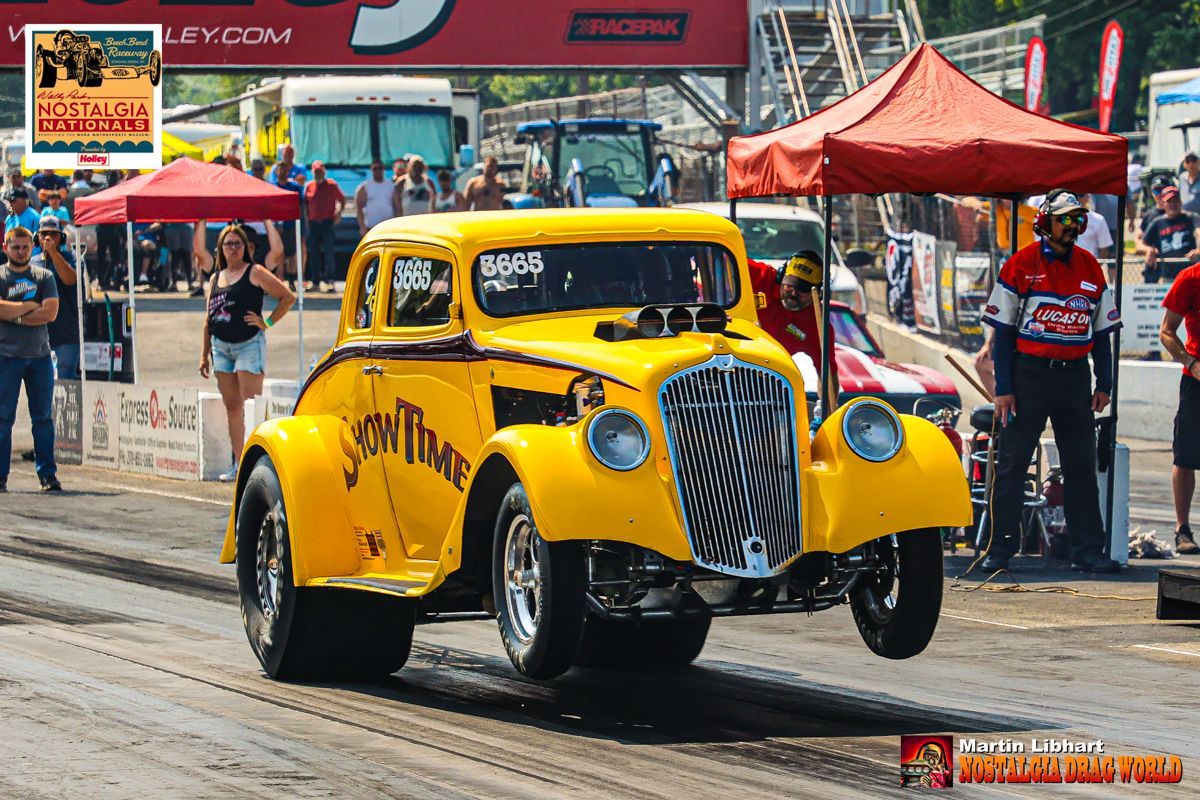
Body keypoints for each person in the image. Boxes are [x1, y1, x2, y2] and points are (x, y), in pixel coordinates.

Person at [981, 190, 1121, 574]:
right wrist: (1004, 388)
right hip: (1028, 378)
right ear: (1046, 222)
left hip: (1075, 378)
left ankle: (1088, 550)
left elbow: (1103, 332)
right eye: (1066, 219)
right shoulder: (1020, 264)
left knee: (1080, 464)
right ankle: (1000, 550)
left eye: (1078, 219)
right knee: (1011, 466)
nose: (1074, 226)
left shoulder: (1091, 266)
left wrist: (1104, 382)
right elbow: (1004, 334)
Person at [196, 221, 295, 481]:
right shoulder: (216, 277)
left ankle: (259, 463)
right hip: (220, 346)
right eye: (228, 244)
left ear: (245, 247)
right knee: (232, 405)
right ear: (221, 248)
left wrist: (268, 322)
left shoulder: (255, 271)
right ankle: (239, 462)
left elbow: (287, 297)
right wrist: (203, 353)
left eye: (238, 244)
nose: (233, 249)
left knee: (251, 403)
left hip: (248, 343)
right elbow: (209, 318)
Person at [0, 227, 61, 492]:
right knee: (3, 419)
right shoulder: (1, 276)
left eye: (25, 247)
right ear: (6, 248)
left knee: (43, 418)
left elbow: (51, 312)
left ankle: (47, 474)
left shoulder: (44, 276)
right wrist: (28, 308)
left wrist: (14, 315)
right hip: (6, 356)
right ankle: (1, 476)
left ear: (31, 248)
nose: (21, 252)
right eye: (16, 247)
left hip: (39, 357)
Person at [747, 249, 839, 392]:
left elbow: (828, 378)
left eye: (803, 290)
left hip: (768, 383)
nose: (794, 293)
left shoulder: (818, 327)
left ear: (818, 293)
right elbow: (721, 257)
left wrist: (827, 410)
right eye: (790, 285)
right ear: (781, 276)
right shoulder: (761, 276)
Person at [1160, 261, 1200, 555]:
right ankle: (1182, 528)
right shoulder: (1190, 278)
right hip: (1196, 380)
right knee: (1185, 456)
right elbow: (1166, 332)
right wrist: (1192, 363)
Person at [32, 217, 79, 381]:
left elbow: (70, 279)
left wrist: (53, 253)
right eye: (44, 234)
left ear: (62, 238)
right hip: (40, 337)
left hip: (66, 334)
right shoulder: (32, 263)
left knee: (64, 385)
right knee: (42, 386)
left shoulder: (71, 257)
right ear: (36, 237)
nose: (48, 238)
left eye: (53, 234)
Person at [1143, 187, 1200, 285]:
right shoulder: (1157, 222)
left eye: (1175, 201)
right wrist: (1148, 250)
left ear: (1180, 202)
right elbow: (1141, 243)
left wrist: (1198, 250)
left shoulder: (1191, 217)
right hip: (1168, 277)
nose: (1173, 205)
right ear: (1162, 204)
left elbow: (1199, 232)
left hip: (1190, 274)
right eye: (1169, 202)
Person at [304, 160, 345, 292]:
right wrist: (306, 221)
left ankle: (330, 280)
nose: (318, 174)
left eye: (320, 171)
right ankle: (315, 280)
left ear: (324, 172)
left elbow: (342, 200)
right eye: (316, 172)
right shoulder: (309, 186)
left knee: (329, 253)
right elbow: (305, 205)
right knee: (314, 254)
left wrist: (338, 214)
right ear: (313, 172)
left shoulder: (332, 185)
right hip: (313, 224)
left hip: (328, 222)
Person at [355, 159, 400, 235]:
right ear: (371, 170)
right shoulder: (365, 187)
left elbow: (397, 206)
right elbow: (359, 208)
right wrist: (362, 227)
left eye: (380, 168)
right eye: (375, 169)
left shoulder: (391, 186)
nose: (378, 171)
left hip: (388, 228)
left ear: (383, 170)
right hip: (371, 227)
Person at [1074, 194, 1113, 260]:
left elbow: (1104, 249)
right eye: (1074, 195)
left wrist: (1093, 266)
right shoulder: (1060, 219)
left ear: (1087, 197)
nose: (1076, 198)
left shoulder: (1098, 219)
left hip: (1088, 266)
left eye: (1080, 194)